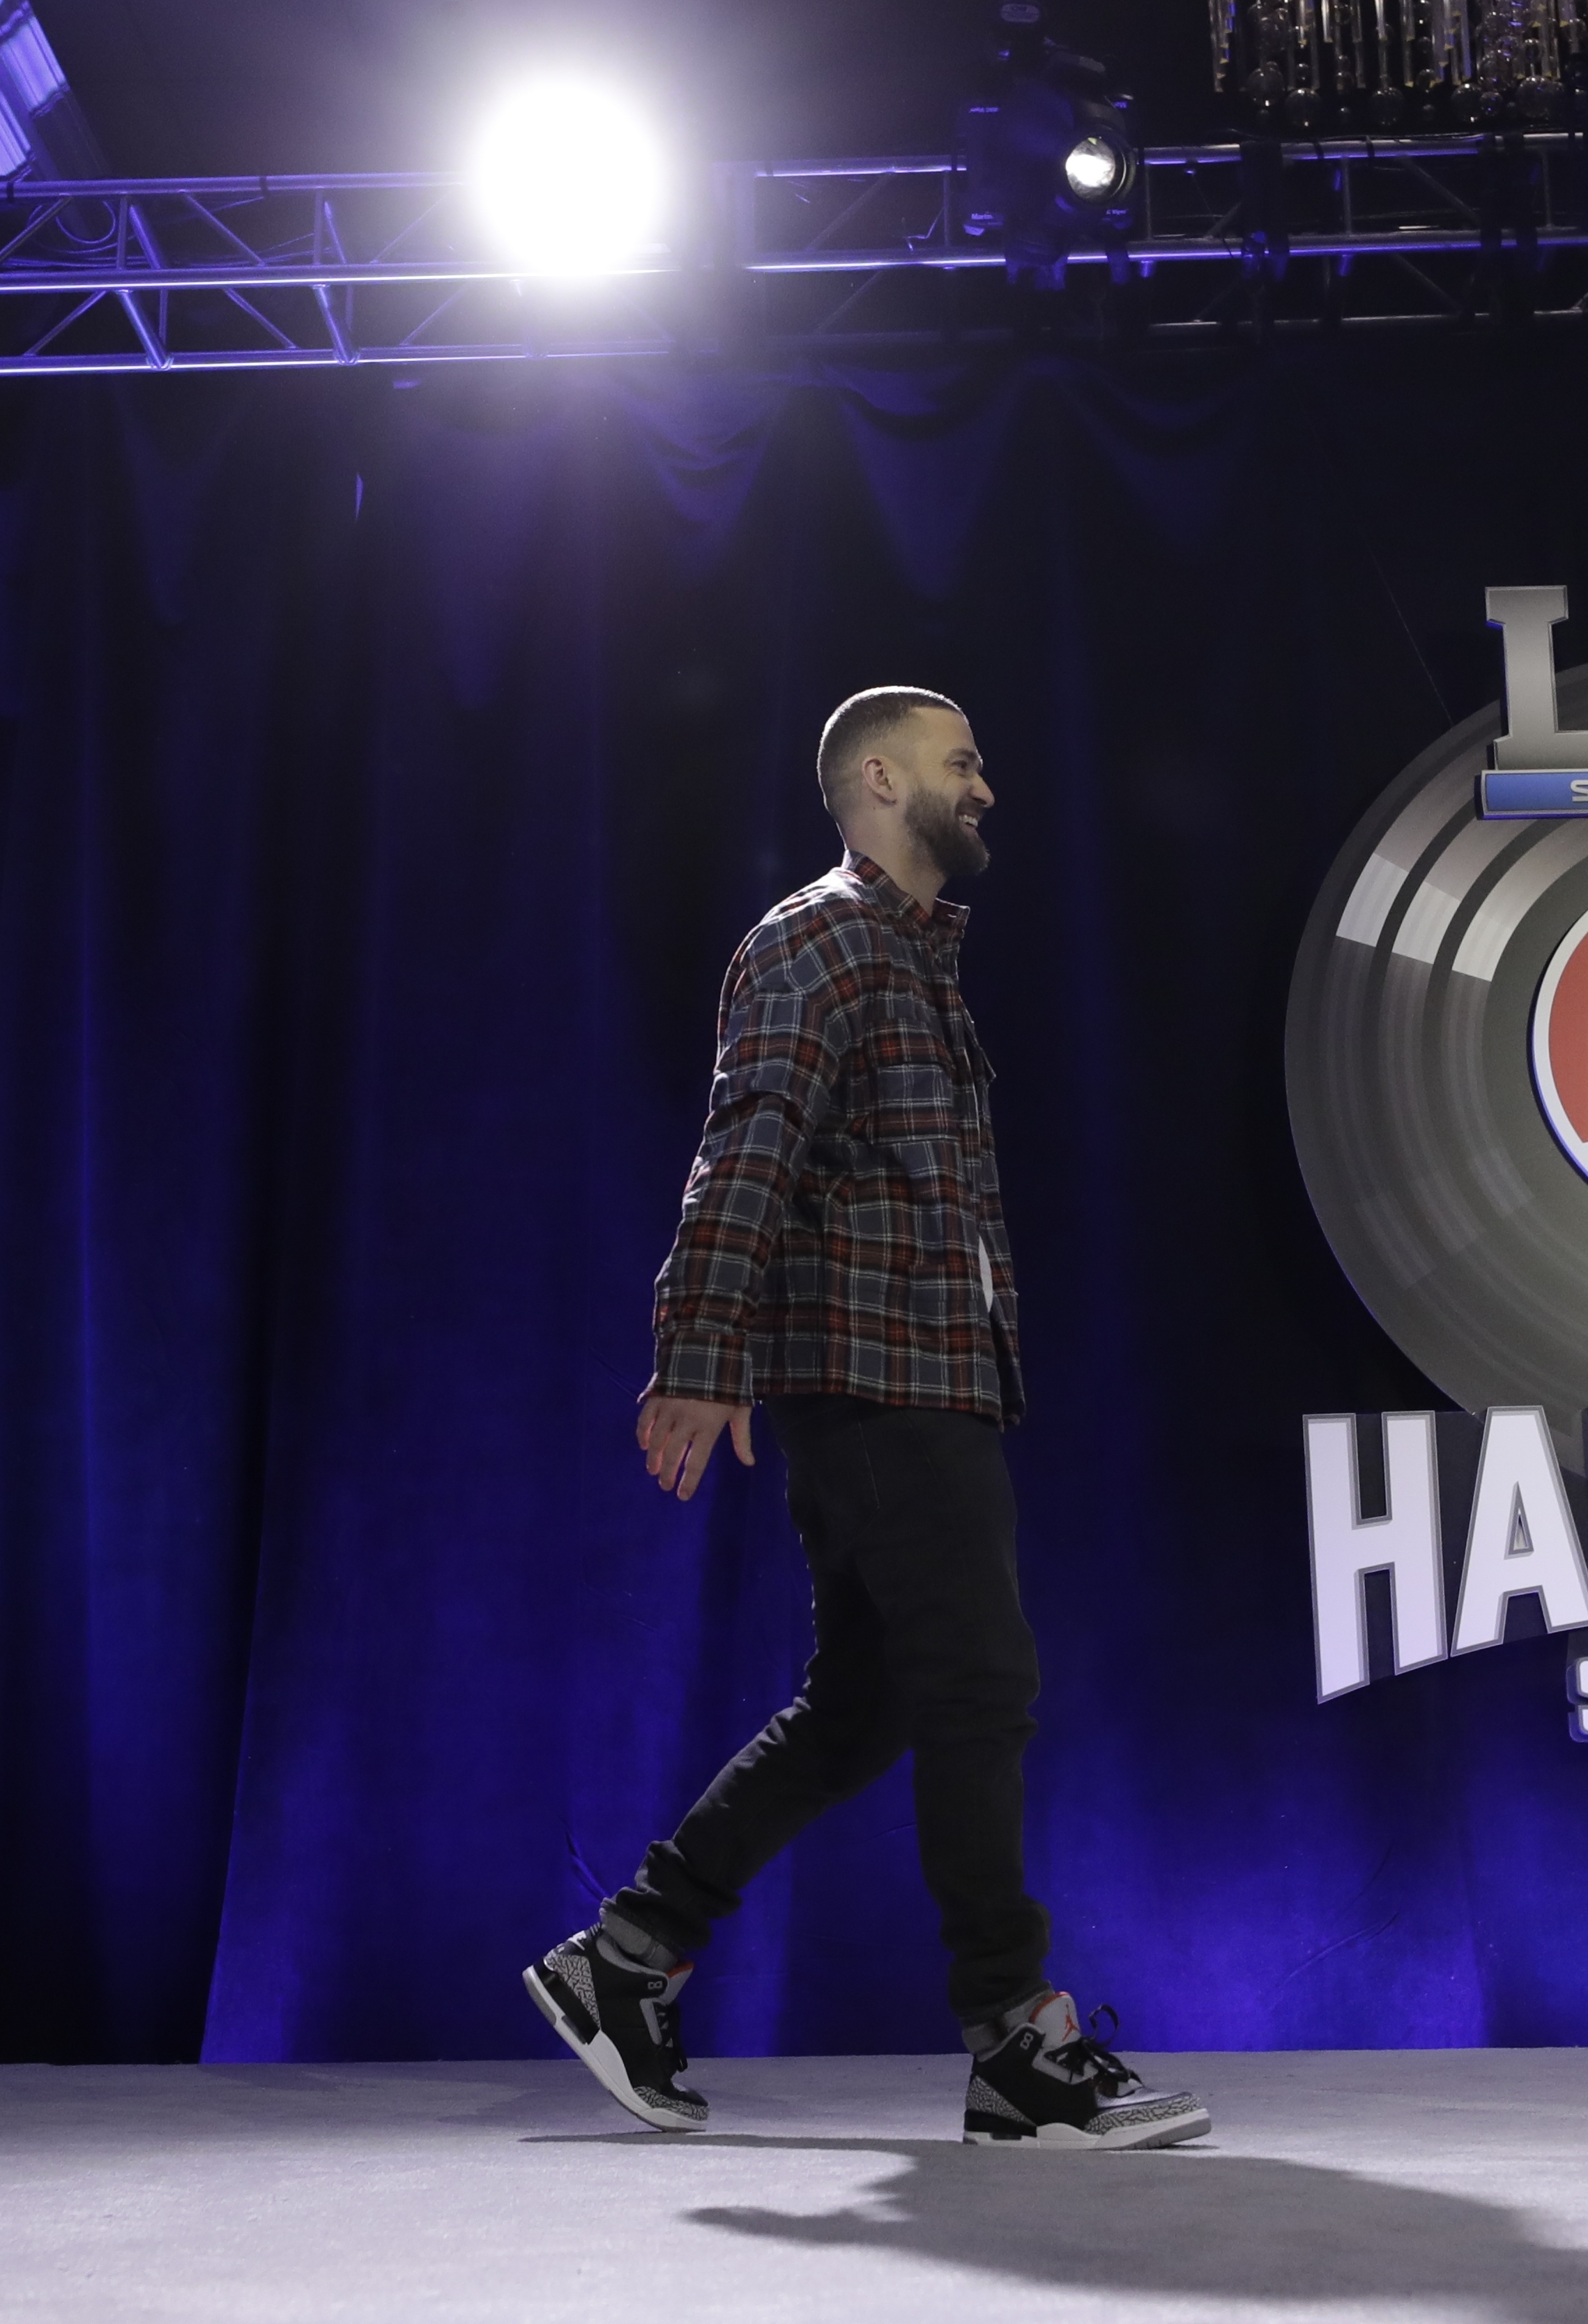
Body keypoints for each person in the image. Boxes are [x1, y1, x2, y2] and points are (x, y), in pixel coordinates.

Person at [523, 687, 1207, 2153]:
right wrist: (699, 1353)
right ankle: (1016, 2042)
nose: (988, 787)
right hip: (873, 1378)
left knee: (870, 1700)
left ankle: (628, 1955)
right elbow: (743, 1149)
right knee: (978, 1681)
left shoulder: (915, 958)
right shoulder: (815, 940)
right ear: (882, 780)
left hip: (927, 1372)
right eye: (964, 762)